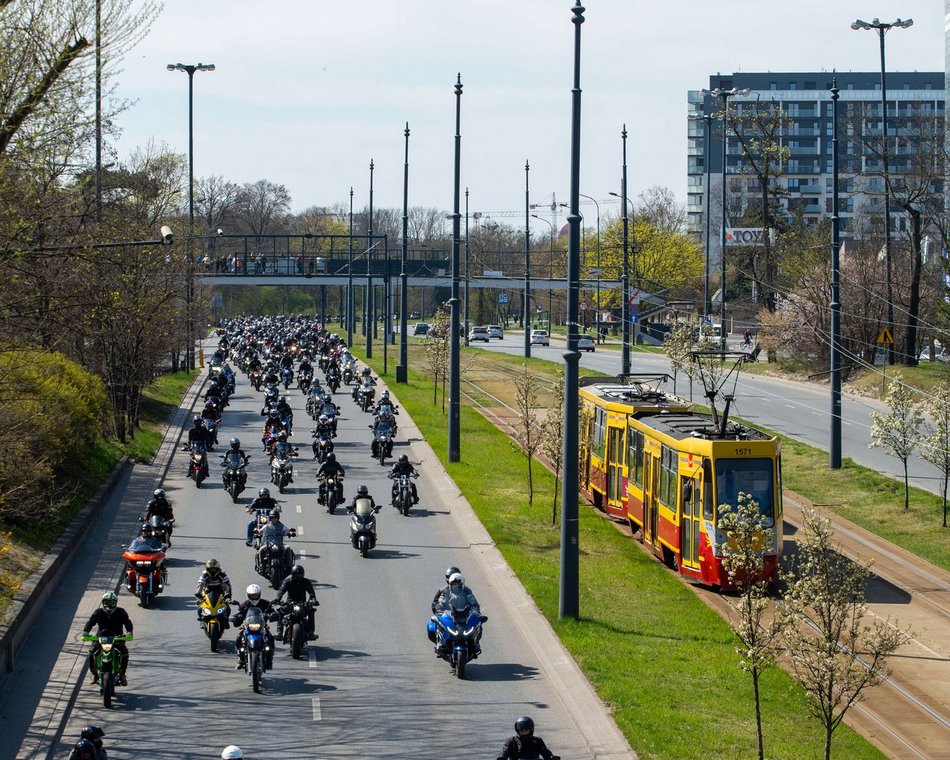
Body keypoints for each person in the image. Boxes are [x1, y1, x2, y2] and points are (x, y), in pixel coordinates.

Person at [83, 591, 132, 686]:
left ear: (116, 603)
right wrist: (86, 632)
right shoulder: (98, 612)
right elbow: (90, 622)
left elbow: (127, 622)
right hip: (101, 638)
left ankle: (122, 674)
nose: (109, 605)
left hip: (117, 639)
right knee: (91, 652)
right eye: (107, 602)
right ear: (103, 602)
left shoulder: (121, 612)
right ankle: (94, 674)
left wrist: (129, 632)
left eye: (112, 603)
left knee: (124, 653)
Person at [231, 584, 276, 670]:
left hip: (262, 627)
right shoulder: (244, 604)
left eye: (255, 595)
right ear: (248, 595)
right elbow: (238, 613)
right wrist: (237, 617)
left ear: (259, 594)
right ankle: (240, 659)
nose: (254, 597)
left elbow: (272, 611)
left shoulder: (266, 603)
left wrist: (272, 615)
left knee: (270, 638)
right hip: (248, 627)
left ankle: (269, 660)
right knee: (238, 638)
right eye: (252, 595)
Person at [275, 564, 318, 640]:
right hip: (290, 603)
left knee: (311, 611)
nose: (298, 577)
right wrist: (278, 598)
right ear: (293, 574)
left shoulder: (306, 581)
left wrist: (313, 600)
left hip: (302, 603)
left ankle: (311, 632)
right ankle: (279, 632)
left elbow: (311, 592)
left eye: (300, 575)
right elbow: (281, 590)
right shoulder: (288, 581)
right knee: (281, 611)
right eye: (297, 575)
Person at [194, 559, 232, 623]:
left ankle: (226, 621)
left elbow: (227, 586)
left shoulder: (222, 574)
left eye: (214, 569)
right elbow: (200, 585)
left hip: (220, 591)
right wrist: (198, 595)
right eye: (210, 569)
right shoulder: (204, 574)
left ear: (218, 569)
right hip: (207, 591)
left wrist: (228, 596)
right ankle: (202, 620)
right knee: (200, 607)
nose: (212, 571)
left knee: (227, 608)